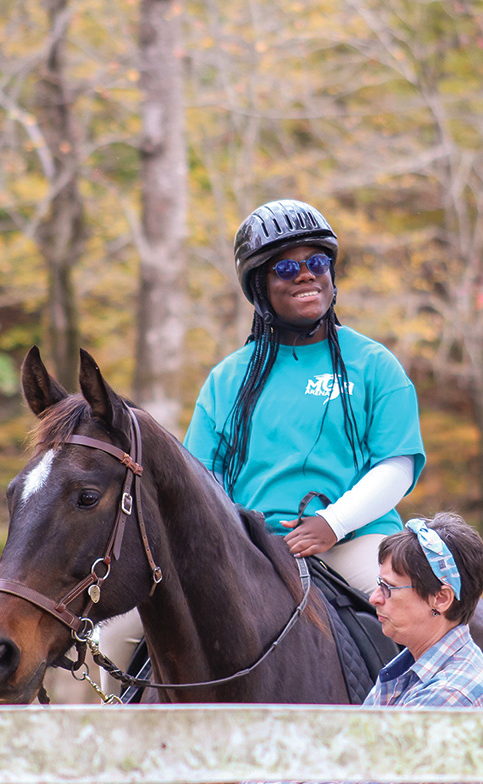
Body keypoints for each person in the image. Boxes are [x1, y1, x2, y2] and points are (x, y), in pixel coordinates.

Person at [99, 198, 425, 688]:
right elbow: (200, 483)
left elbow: (397, 465)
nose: (306, 276)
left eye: (317, 263)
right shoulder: (228, 379)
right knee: (118, 632)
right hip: (246, 550)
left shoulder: (374, 365)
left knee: (414, 612)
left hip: (354, 540)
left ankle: (417, 741)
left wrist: (331, 524)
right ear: (260, 287)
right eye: (286, 268)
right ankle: (126, 755)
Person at [232, 512, 483, 784]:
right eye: (379, 585)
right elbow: (350, 759)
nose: (374, 598)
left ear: (440, 598)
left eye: (389, 588)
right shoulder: (406, 671)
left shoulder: (453, 693)